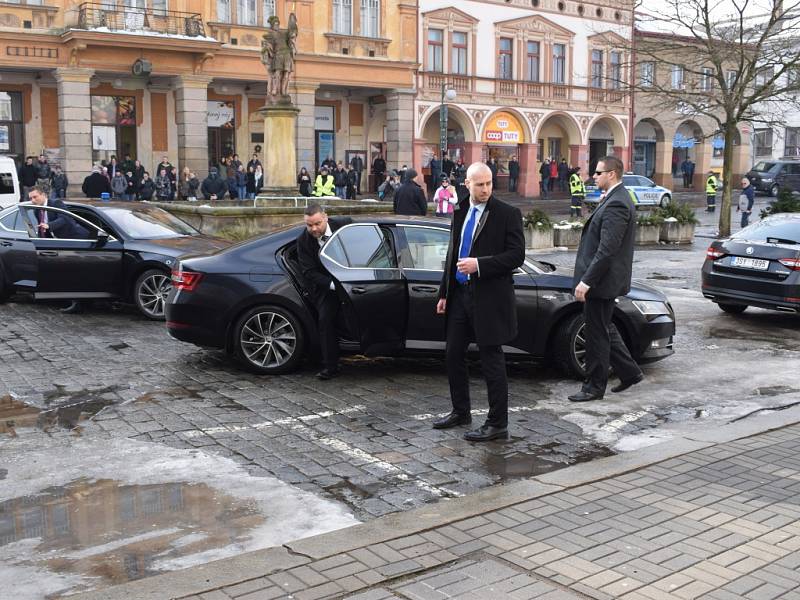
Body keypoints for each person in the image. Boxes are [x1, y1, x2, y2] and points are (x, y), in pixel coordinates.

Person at [433, 162, 525, 442]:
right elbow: (452, 254)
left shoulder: (508, 214)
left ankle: (498, 423)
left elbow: (516, 256)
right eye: (479, 184)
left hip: (489, 298)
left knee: (491, 361)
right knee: (453, 355)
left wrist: (480, 265)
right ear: (467, 185)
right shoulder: (461, 210)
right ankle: (461, 411)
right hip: (460, 296)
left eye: (488, 184)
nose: (485, 189)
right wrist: (444, 293)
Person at [569, 156, 643, 403]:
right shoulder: (614, 198)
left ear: (612, 174)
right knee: (604, 328)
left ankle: (593, 387)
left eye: (598, 173)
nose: (594, 176)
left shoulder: (618, 203)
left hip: (601, 282)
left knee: (596, 334)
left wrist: (587, 281)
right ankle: (630, 373)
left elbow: (607, 249)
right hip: (602, 281)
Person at [296, 204, 353, 380]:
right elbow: (309, 272)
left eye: (317, 224)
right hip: (325, 286)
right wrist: (334, 285)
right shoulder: (303, 241)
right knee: (325, 320)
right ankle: (330, 365)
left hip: (353, 280)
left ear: (326, 217)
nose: (313, 229)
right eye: (309, 225)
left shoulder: (345, 225)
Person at [28, 185, 90, 314]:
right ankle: (64, 299)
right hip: (58, 244)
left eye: (35, 197)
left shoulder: (56, 203)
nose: (32, 200)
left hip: (76, 240)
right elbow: (42, 231)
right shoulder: (36, 210)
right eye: (31, 198)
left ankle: (77, 303)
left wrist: (49, 225)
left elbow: (65, 219)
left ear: (43, 195)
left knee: (75, 272)